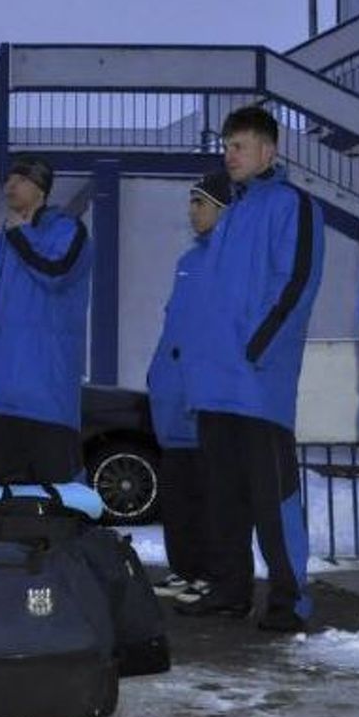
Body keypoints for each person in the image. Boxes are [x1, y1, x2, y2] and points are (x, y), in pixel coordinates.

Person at [178, 106, 324, 633]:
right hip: (216, 387)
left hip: (258, 385)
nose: (229, 155)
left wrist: (258, 348)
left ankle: (290, 600)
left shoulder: (293, 206)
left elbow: (297, 282)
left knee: (273, 498)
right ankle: (230, 590)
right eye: (227, 145)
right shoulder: (230, 218)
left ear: (269, 151)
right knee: (224, 499)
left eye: (239, 145)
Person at [0, 158, 91, 483]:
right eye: (8, 179)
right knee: (2, 507)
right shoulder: (0, 246)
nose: (9, 186)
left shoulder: (66, 228)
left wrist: (21, 234)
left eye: (20, 179)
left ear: (40, 188)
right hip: (0, 401)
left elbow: (55, 271)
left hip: (45, 398)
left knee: (55, 507)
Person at [146, 172, 231, 603]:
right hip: (173, 397)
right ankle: (184, 568)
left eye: (200, 203)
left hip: (203, 398)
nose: (192, 211)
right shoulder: (188, 262)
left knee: (208, 495)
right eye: (191, 203)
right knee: (178, 495)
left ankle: (210, 573)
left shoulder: (229, 260)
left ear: (223, 208)